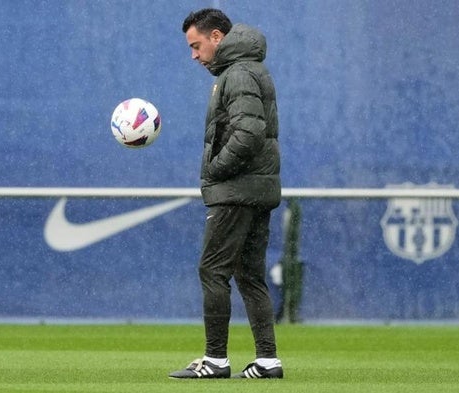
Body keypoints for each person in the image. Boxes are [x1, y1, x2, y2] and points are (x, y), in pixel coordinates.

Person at [169, 8, 283, 379]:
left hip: (237, 191)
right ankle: (267, 361)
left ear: (217, 37)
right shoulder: (246, 70)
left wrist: (215, 170)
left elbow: (248, 135)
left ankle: (215, 360)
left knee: (212, 271)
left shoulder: (237, 74)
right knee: (249, 275)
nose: (194, 55)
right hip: (256, 188)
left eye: (196, 45)